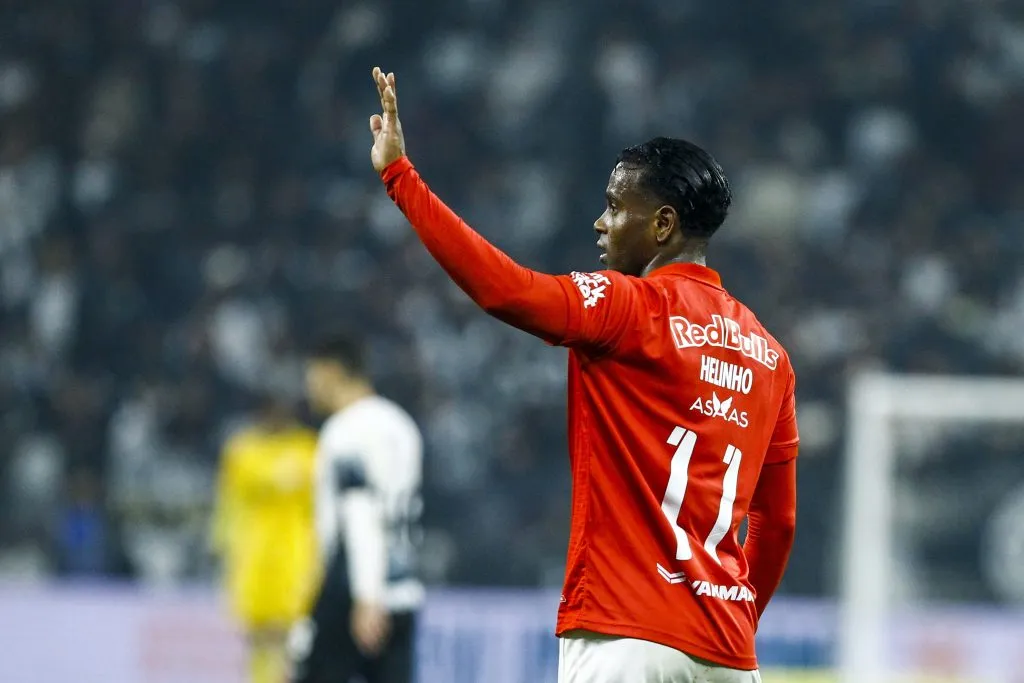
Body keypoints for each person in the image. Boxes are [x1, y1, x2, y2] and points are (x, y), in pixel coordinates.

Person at [367, 67, 799, 683]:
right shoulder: (769, 354)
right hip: (727, 653)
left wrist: (399, 177)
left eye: (616, 207)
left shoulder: (630, 306)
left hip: (625, 635)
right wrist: (734, 617)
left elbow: (505, 291)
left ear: (663, 226)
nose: (600, 222)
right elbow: (777, 523)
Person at [290, 334, 424, 683]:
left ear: (332, 371)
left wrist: (366, 596)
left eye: (312, 376)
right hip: (403, 590)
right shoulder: (401, 426)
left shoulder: (345, 431)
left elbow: (360, 511)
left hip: (352, 592)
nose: (309, 387)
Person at [211, 397, 320, 683]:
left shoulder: (309, 449)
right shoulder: (243, 450)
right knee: (257, 634)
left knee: (290, 635)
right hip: (253, 555)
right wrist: (220, 544)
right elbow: (229, 502)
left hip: (296, 554)